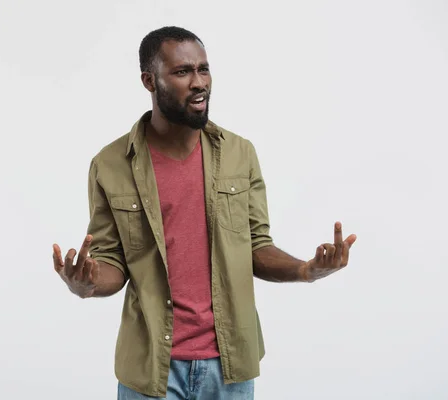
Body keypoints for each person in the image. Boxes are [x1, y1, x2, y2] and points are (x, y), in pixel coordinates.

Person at [52, 26, 357, 400]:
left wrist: (306, 270)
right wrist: (86, 284)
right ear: (150, 81)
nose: (199, 83)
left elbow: (257, 245)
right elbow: (112, 261)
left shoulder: (239, 153)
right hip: (151, 371)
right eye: (182, 72)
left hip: (229, 368)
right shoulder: (110, 164)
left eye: (204, 69)